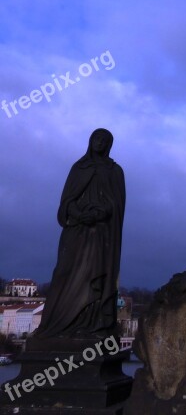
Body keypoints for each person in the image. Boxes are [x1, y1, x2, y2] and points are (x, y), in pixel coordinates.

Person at [35, 129, 126, 339]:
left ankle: (91, 324)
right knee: (64, 272)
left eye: (104, 140)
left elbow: (117, 204)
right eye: (96, 138)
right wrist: (76, 213)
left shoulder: (115, 171)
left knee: (95, 274)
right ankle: (54, 327)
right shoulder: (78, 168)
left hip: (101, 233)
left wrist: (101, 212)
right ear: (90, 141)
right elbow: (66, 200)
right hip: (76, 228)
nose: (99, 142)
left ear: (109, 144)